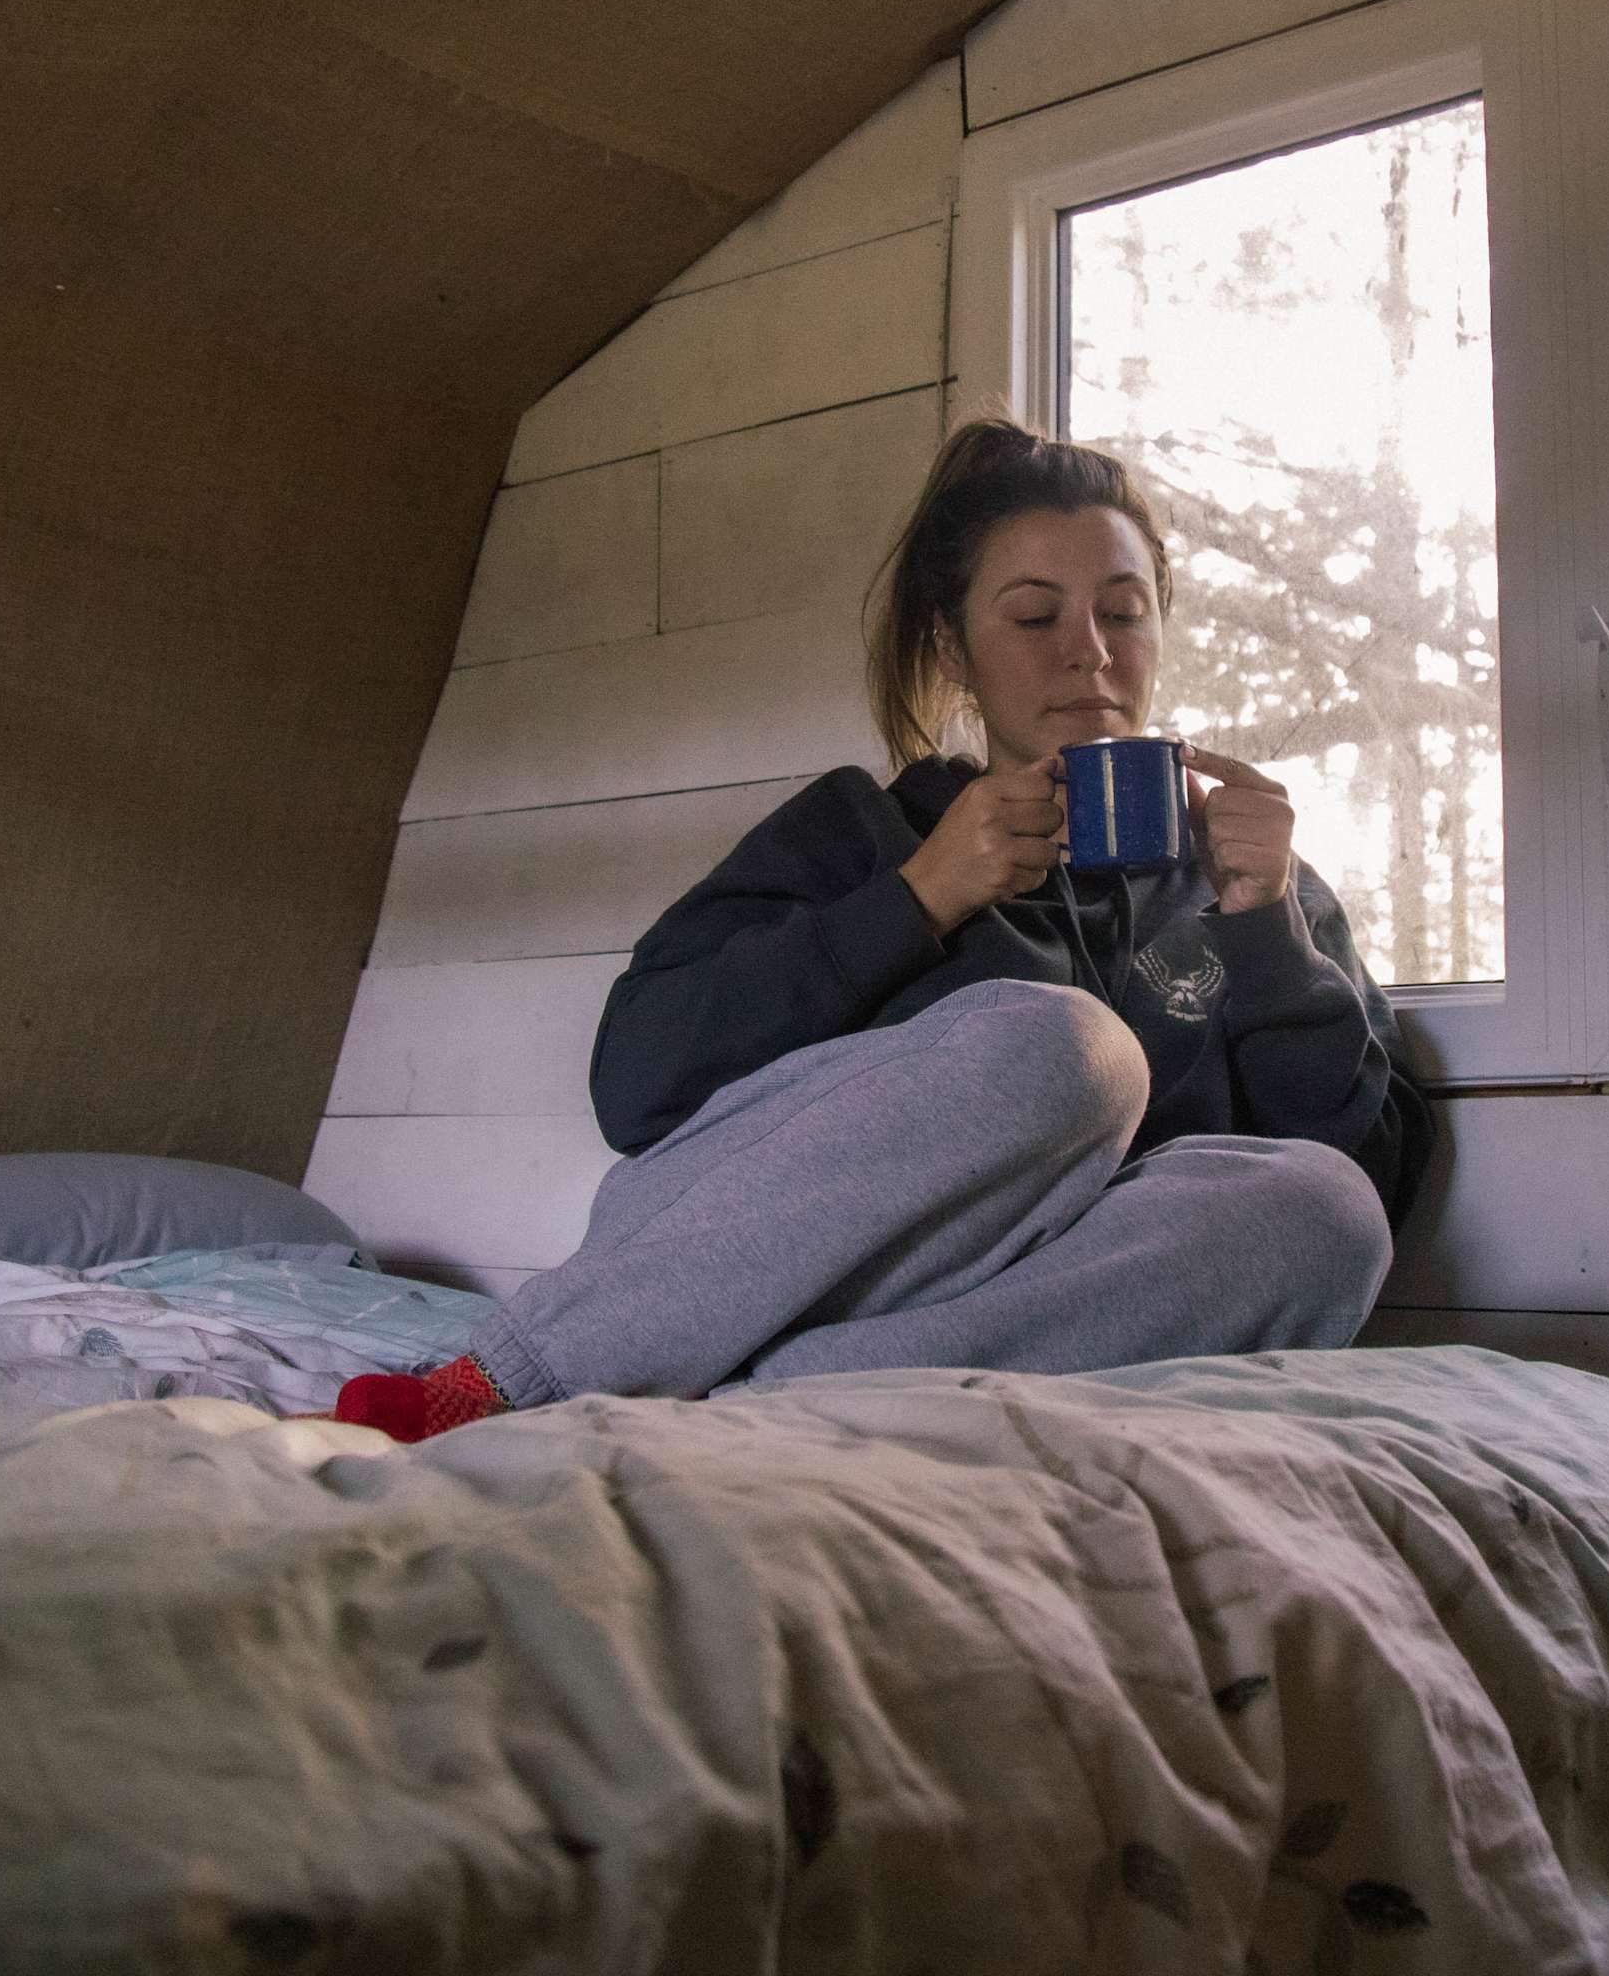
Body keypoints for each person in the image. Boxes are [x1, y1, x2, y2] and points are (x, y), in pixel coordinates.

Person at [332, 418, 1436, 1439]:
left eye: (1123, 610)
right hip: (819, 1276)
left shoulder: (1256, 881)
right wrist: (919, 896)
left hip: (1029, 1326)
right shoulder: (864, 835)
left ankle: (778, 1405)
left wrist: (1266, 929)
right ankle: (505, 1380)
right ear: (953, 649)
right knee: (1067, 1049)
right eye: (1036, 616)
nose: (1090, 652)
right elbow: (637, 1082)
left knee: (1330, 1212)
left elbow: (1363, 1172)